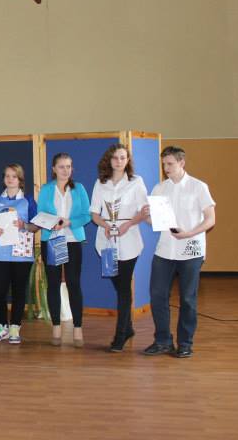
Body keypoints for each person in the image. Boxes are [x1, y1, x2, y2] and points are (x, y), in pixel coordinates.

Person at [143, 146, 216, 359]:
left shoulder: (198, 187)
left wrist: (189, 233)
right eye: (164, 164)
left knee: (188, 298)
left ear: (182, 163)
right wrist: (147, 216)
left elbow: (211, 219)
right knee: (157, 295)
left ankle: (185, 343)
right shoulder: (159, 188)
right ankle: (163, 341)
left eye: (170, 164)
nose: (166, 168)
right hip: (165, 250)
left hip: (191, 250)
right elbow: (156, 222)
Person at [90, 143, 149, 352]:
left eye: (123, 157)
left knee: (124, 288)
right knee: (119, 286)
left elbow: (143, 211)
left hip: (129, 240)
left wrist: (128, 224)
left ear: (128, 160)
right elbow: (94, 214)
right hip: (106, 242)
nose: (119, 161)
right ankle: (129, 327)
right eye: (115, 157)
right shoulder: (101, 183)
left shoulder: (136, 182)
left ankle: (120, 334)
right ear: (109, 160)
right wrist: (105, 225)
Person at [37, 153, 91, 347]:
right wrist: (51, 223)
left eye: (68, 166)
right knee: (53, 284)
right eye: (61, 166)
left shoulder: (79, 188)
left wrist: (69, 222)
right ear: (54, 169)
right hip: (52, 241)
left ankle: (78, 328)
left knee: (73, 284)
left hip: (72, 240)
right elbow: (41, 214)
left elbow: (86, 215)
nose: (65, 170)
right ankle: (56, 327)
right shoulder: (46, 189)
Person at [0, 164, 39, 344]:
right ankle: (1, 327)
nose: (10, 179)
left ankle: (15, 327)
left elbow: (36, 226)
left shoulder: (28, 200)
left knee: (18, 292)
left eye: (14, 176)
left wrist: (24, 225)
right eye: (7, 176)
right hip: (0, 254)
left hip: (21, 255)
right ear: (3, 179)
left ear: (20, 179)